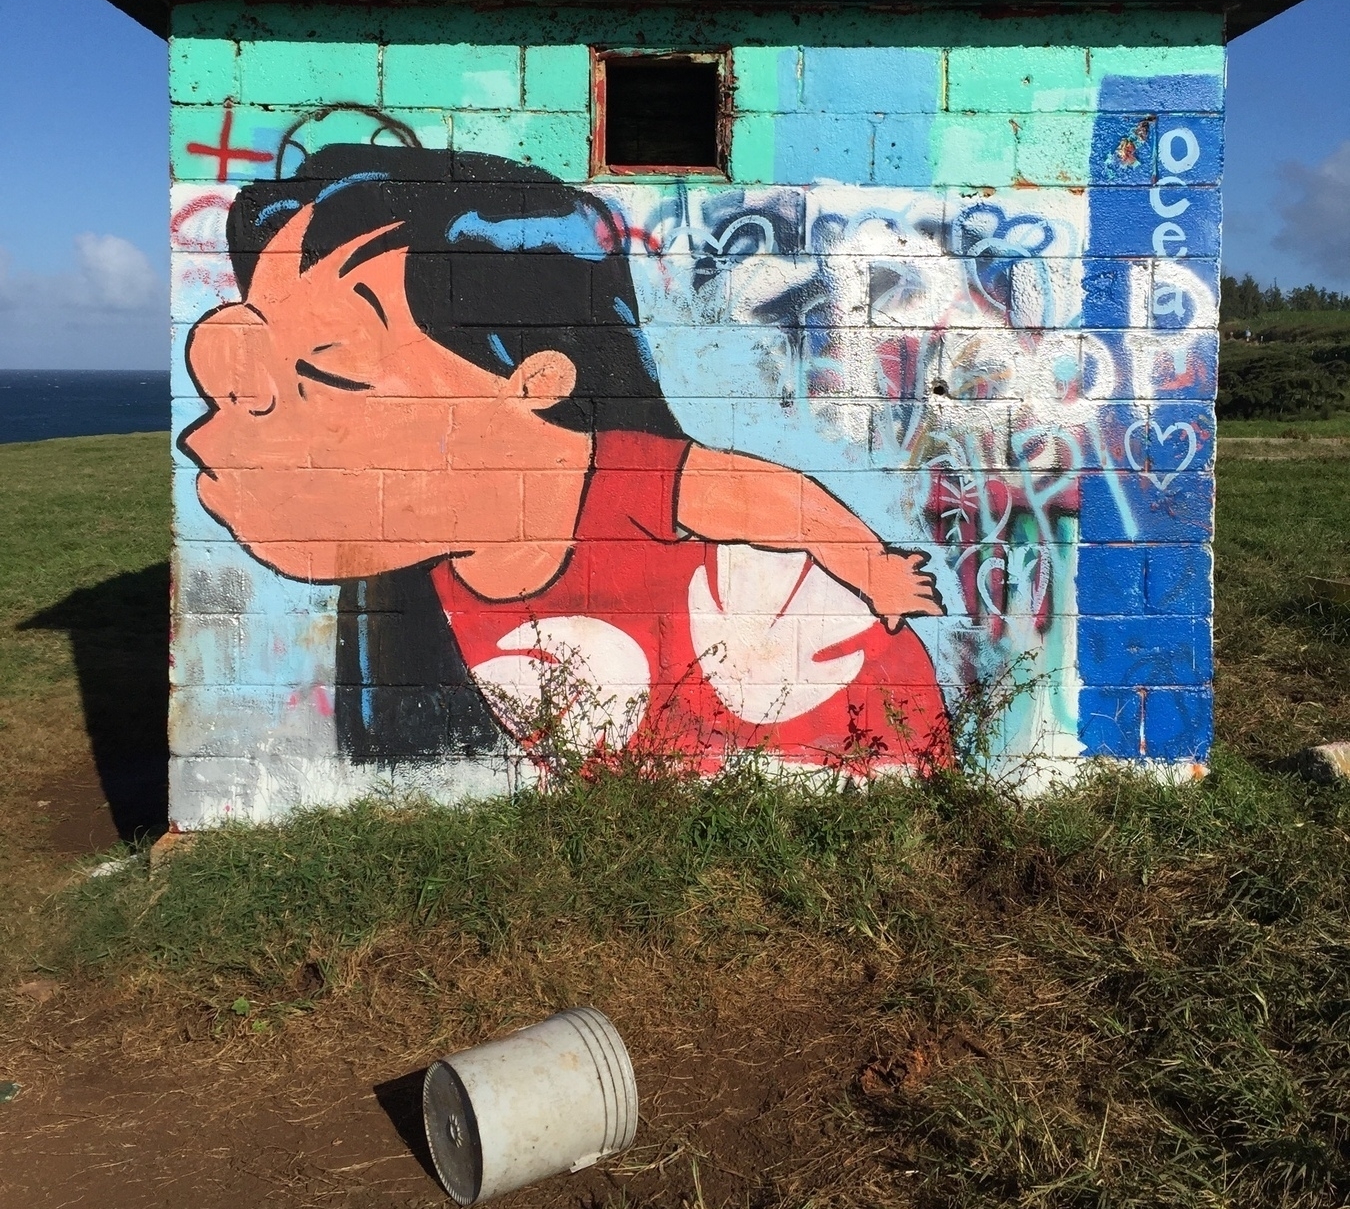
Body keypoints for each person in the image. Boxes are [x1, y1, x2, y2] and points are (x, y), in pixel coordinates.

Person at [180, 125, 949, 774]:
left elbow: (769, 496)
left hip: (845, 735)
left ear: (536, 379)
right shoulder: (434, 567)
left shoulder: (621, 475)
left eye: (328, 366)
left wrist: (874, 569)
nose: (214, 431)